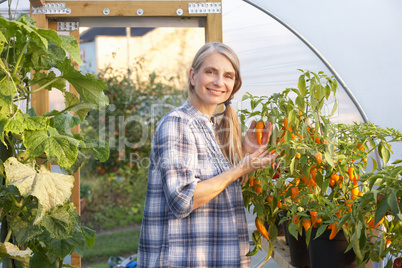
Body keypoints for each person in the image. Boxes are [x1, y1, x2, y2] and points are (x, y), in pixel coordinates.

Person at [137, 42, 277, 267]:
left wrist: (243, 152)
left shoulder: (210, 126)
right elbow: (183, 199)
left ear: (234, 84)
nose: (219, 82)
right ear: (193, 76)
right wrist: (241, 167)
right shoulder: (177, 123)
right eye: (210, 72)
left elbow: (216, 186)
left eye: (228, 76)